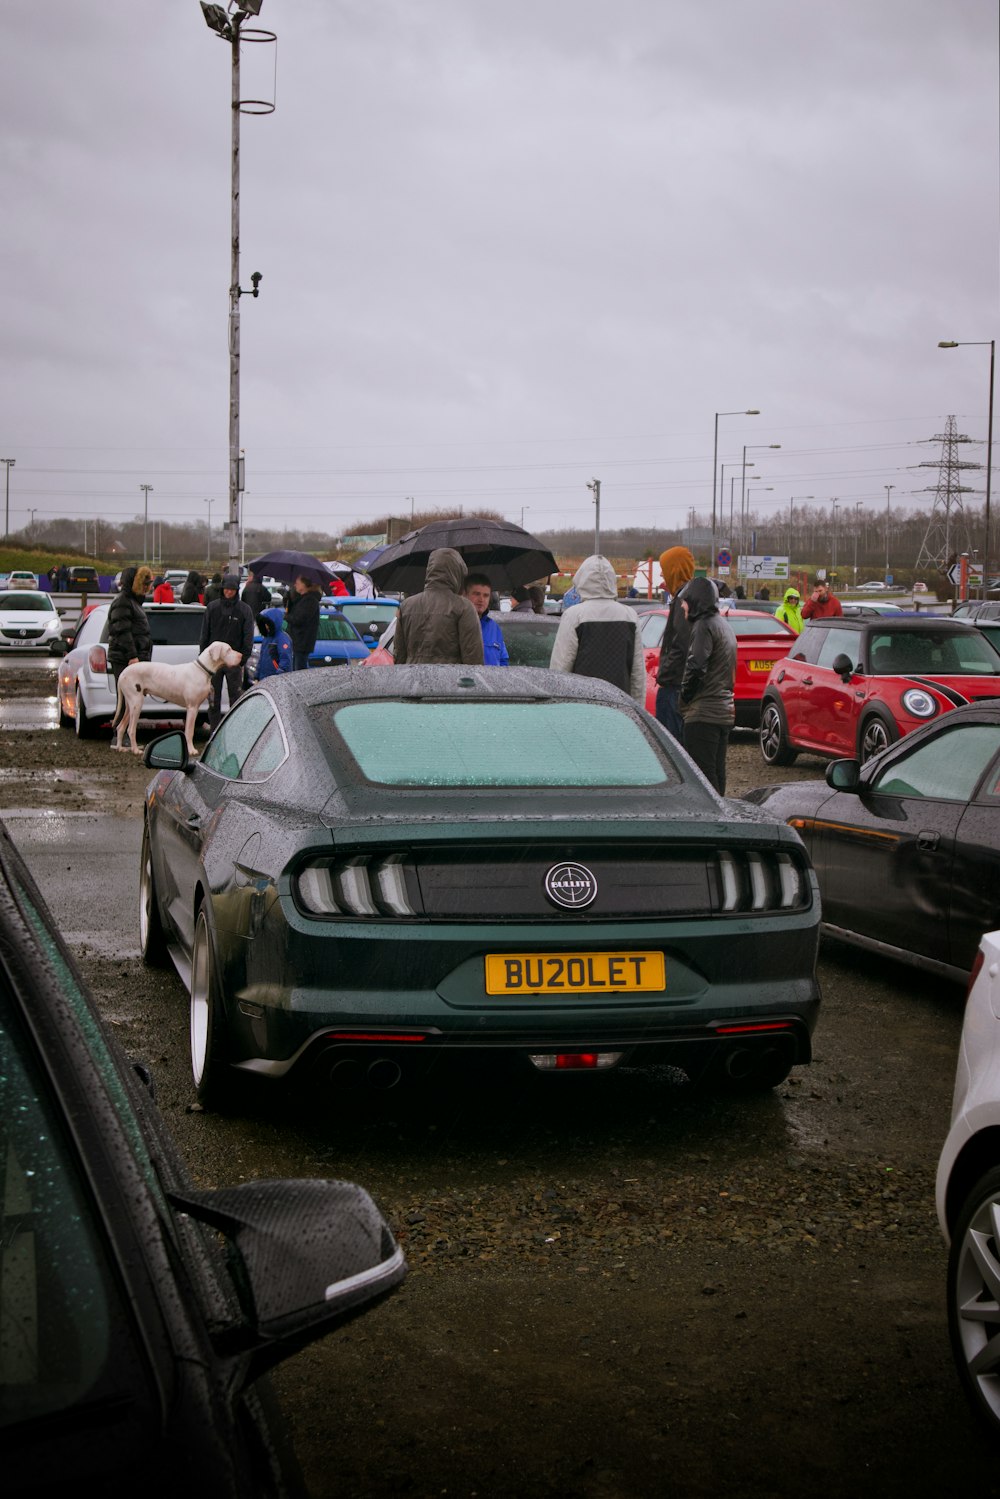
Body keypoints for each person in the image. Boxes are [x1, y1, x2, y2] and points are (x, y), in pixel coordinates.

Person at [549, 555, 645, 704]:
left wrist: (557, 708)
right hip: (621, 709)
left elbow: (560, 669)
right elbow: (637, 674)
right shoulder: (630, 616)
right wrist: (639, 712)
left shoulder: (574, 615)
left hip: (583, 708)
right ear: (612, 580)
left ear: (582, 580)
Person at [678, 576, 736, 794]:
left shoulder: (703, 626)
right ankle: (723, 815)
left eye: (685, 600)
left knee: (703, 776)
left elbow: (696, 666)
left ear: (695, 601)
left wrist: (685, 697)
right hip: (723, 712)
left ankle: (712, 820)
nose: (682, 605)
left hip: (704, 712)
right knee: (717, 772)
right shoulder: (723, 625)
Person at [394, 548, 484, 666]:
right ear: (457, 573)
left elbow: (399, 656)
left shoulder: (406, 606)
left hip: (413, 680)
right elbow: (473, 659)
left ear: (430, 570)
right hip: (451, 681)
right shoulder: (464, 607)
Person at [199, 574, 253, 728]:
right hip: (213, 663)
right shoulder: (212, 607)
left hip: (234, 661)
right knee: (213, 701)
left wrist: (242, 659)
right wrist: (203, 658)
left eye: (232, 590)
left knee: (235, 699)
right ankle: (214, 731)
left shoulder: (244, 610)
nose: (229, 592)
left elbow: (248, 636)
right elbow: (204, 634)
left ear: (237, 590)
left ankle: (235, 730)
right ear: (222, 589)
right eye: (226, 589)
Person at [653, 546, 695, 741]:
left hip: (674, 687)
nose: (661, 573)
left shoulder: (682, 602)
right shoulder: (688, 598)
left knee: (670, 750)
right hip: (678, 685)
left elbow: (680, 646)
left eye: (664, 568)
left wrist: (664, 675)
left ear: (674, 569)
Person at [107, 564, 153, 714]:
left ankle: (126, 733)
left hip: (131, 658)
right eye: (144, 584)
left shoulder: (134, 602)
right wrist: (132, 656)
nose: (146, 587)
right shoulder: (123, 602)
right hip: (125, 659)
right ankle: (120, 735)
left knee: (132, 699)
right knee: (126, 698)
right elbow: (122, 631)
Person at [465, 572, 509, 664]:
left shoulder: (494, 628)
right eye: (477, 594)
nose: (481, 599)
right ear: (465, 595)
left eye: (486, 595)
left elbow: (503, 661)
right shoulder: (455, 625)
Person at [285, 574, 324, 670]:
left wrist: (287, 617)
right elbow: (292, 610)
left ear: (304, 585)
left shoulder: (310, 601)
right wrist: (288, 598)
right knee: (295, 668)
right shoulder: (301, 599)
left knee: (299, 670)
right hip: (297, 640)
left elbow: (300, 619)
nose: (295, 585)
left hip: (302, 641)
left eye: (298, 583)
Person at [255, 606, 293, 679]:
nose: (265, 626)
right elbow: (261, 658)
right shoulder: (267, 638)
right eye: (263, 624)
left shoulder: (282, 639)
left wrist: (278, 676)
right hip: (265, 678)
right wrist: (257, 676)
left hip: (276, 679)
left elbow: (285, 660)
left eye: (267, 623)